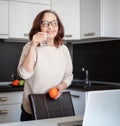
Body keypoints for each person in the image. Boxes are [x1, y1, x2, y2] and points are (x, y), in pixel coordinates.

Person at [17, 9, 73, 121]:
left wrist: (60, 87)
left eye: (54, 23)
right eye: (45, 23)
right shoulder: (29, 46)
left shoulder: (63, 49)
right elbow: (24, 74)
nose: (50, 27)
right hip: (32, 110)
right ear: (38, 28)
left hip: (56, 107)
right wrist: (33, 46)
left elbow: (68, 75)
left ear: (58, 26)